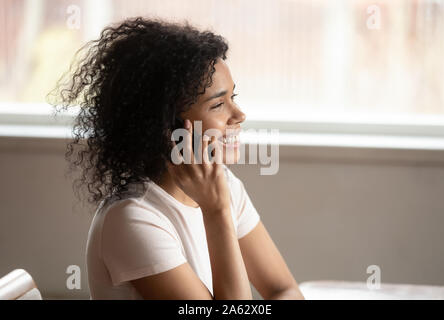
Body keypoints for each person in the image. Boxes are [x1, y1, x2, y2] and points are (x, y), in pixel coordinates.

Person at [50, 17, 304, 300]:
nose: (239, 115)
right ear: (166, 126)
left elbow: (284, 290)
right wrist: (217, 211)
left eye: (234, 97)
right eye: (219, 104)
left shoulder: (225, 185)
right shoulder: (133, 219)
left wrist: (219, 204)